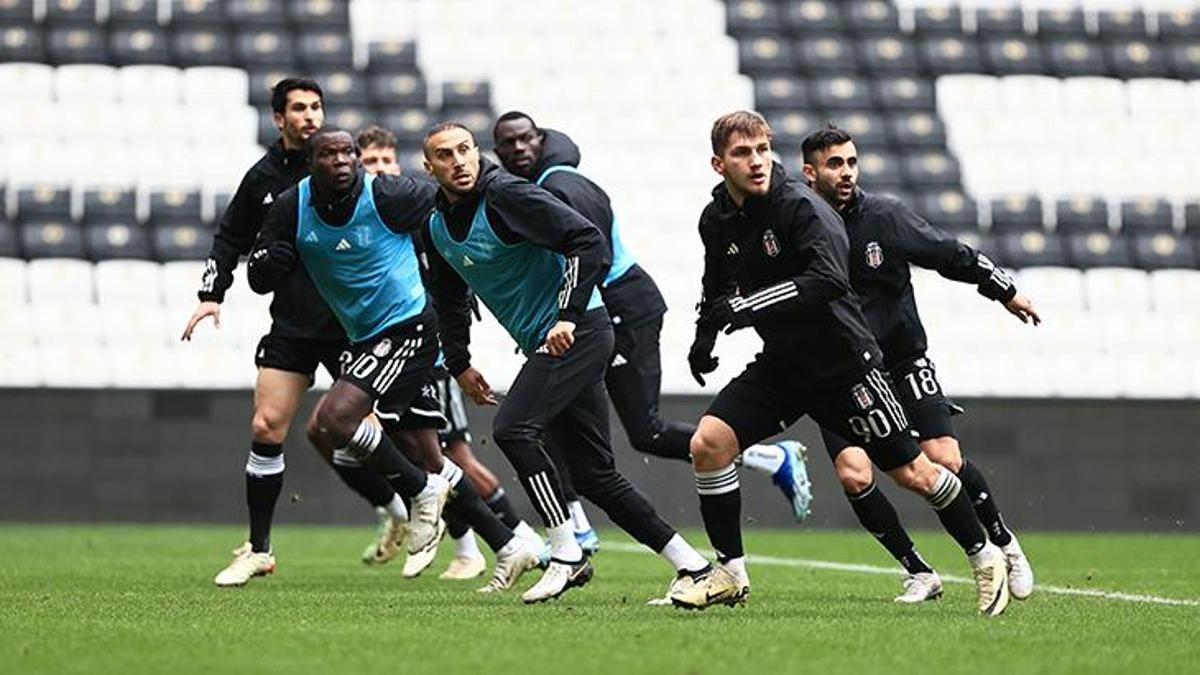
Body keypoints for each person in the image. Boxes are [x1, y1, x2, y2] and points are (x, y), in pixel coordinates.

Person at [670, 111, 1010, 617]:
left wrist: (745, 309)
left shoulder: (801, 207)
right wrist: (704, 338)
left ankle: (985, 558)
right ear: (719, 164)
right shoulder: (715, 218)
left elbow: (827, 281)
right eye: (743, 153)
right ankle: (729, 573)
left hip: (845, 365)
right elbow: (716, 282)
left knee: (915, 472)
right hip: (784, 365)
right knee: (710, 443)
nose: (757, 161)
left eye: (763, 149)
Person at [421, 122, 712, 604]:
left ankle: (565, 554)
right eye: (445, 155)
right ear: (430, 167)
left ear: (477, 153)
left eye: (465, 150)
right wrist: (459, 362)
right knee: (597, 476)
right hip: (551, 339)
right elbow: (450, 299)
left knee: (514, 428)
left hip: (581, 332)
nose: (459, 161)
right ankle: (694, 567)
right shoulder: (435, 226)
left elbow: (586, 239)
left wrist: (568, 315)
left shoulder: (507, 195)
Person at [246, 126, 540, 594]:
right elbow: (259, 274)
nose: (344, 162)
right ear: (311, 163)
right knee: (431, 456)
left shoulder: (391, 195)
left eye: (350, 154)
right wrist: (269, 261)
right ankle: (509, 544)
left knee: (337, 420)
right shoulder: (292, 206)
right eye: (331, 154)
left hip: (412, 331)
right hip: (366, 339)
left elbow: (455, 205)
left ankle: (426, 498)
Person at [491, 112, 813, 534]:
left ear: (541, 139)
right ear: (496, 152)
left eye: (526, 139)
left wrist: (564, 314)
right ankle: (576, 528)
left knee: (646, 431)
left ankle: (769, 458)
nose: (518, 148)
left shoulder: (563, 185)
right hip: (601, 310)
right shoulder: (543, 186)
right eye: (508, 143)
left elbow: (595, 255)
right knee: (549, 410)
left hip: (624, 307)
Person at [183, 78, 407, 587]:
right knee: (266, 426)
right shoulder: (262, 178)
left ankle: (420, 509)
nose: (311, 116)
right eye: (300, 109)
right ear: (279, 119)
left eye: (317, 107)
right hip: (295, 323)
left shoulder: (342, 169)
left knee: (381, 428)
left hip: (354, 321)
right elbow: (229, 238)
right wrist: (210, 295)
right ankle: (260, 548)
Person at [800, 124, 1037, 603]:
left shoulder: (885, 217)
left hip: (903, 359)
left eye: (851, 162)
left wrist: (1005, 291)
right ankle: (919, 571)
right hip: (843, 373)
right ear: (810, 173)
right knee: (854, 474)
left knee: (944, 459)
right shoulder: (799, 224)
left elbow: (950, 254)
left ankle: (1004, 543)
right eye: (834, 164)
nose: (846, 173)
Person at [354, 124, 545, 580]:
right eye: (370, 165)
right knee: (430, 454)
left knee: (453, 454)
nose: (380, 170)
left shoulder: (421, 210)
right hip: (402, 348)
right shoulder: (375, 219)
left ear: (399, 166)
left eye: (385, 161)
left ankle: (513, 538)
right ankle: (474, 545)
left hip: (431, 351)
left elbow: (450, 272)